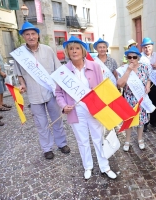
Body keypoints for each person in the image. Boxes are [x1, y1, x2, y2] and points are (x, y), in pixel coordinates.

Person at [55, 36, 117, 180]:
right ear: (68, 52)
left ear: (83, 51)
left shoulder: (94, 66)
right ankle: (88, 166)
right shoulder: (63, 71)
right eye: (71, 49)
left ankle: (105, 166)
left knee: (98, 138)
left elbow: (102, 88)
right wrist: (64, 106)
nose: (74, 51)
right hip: (76, 112)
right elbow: (58, 92)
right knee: (82, 141)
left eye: (77, 48)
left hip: (94, 110)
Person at [13, 22, 70, 159]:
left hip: (51, 92)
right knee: (41, 123)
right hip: (33, 95)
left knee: (57, 119)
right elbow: (19, 74)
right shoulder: (19, 54)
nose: (31, 37)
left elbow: (58, 69)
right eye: (27, 34)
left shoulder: (48, 50)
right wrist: (22, 85)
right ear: (23, 37)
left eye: (33, 34)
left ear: (38, 35)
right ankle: (47, 148)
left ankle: (61, 144)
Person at [117, 46, 151, 151]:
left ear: (138, 58)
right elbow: (120, 85)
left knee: (140, 121)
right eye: (129, 57)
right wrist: (128, 71)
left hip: (141, 98)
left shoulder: (145, 67)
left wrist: (148, 85)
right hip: (129, 99)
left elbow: (149, 78)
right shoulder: (123, 69)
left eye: (134, 57)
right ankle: (127, 140)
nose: (132, 59)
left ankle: (140, 139)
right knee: (128, 121)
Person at [140, 37, 156, 132]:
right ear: (142, 48)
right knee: (145, 103)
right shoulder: (140, 57)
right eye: (145, 47)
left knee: (154, 102)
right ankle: (145, 122)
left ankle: (153, 121)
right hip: (144, 83)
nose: (147, 49)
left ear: (152, 46)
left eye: (148, 46)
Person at [0, 41, 12, 112]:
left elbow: (1, 64)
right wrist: (1, 73)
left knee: (1, 90)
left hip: (1, 75)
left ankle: (1, 103)